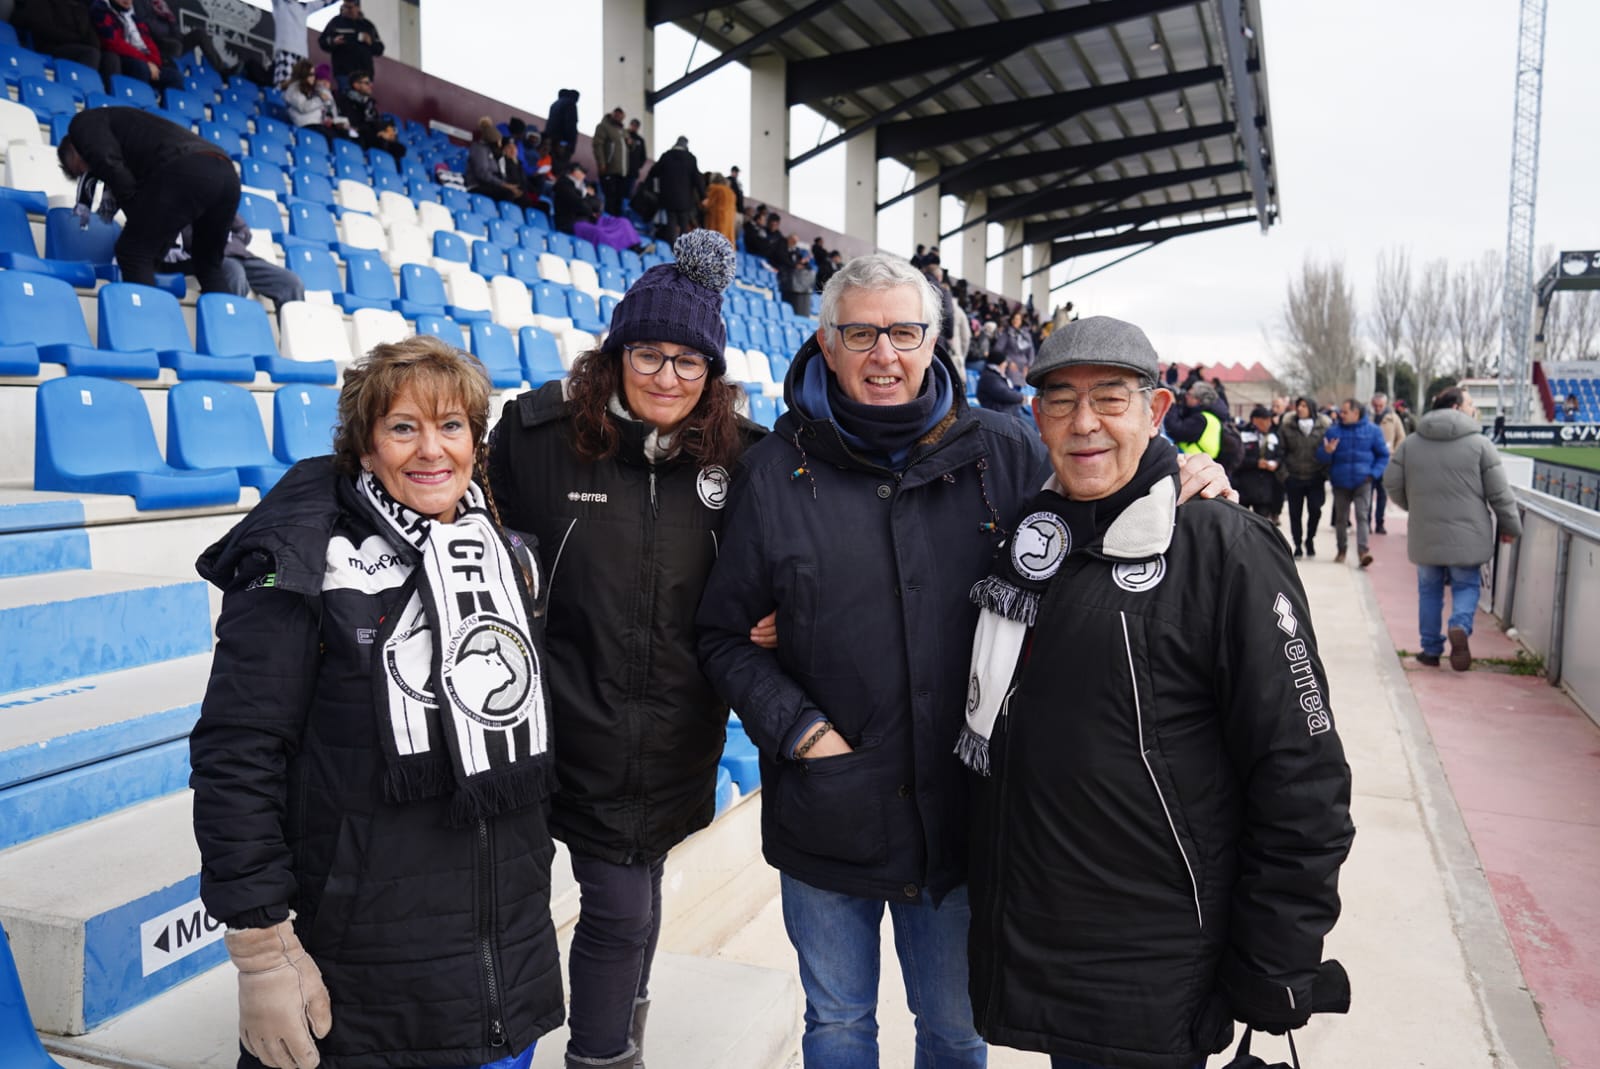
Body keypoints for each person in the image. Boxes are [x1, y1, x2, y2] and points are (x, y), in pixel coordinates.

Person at [696, 260, 1233, 1069]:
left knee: (955, 1029)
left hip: (961, 816)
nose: (885, 354)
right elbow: (724, 636)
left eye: (904, 332)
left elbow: (1101, 500)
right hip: (827, 809)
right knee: (837, 1024)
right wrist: (800, 731)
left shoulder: (1004, 450)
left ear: (934, 341)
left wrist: (1183, 474)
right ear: (827, 343)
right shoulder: (775, 472)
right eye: (862, 333)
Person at [961, 316, 1354, 1068]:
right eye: (1061, 402)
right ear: (1035, 416)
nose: (1085, 424)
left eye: (1110, 399)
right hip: (1050, 949)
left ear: (1157, 410)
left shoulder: (1222, 546)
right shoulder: (1029, 543)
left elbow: (1302, 772)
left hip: (1158, 967)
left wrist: (1275, 958)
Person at [189, 336, 565, 1069]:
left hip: (499, 971)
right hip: (366, 983)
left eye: (451, 425)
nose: (432, 450)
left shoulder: (510, 556)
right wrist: (262, 947)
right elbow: (237, 752)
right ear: (365, 448)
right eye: (403, 427)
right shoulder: (302, 561)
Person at [487, 231, 769, 1069]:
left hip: (667, 738)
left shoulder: (743, 463)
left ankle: (608, 1050)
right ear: (613, 356)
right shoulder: (537, 438)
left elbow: (798, 561)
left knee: (625, 908)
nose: (667, 376)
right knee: (569, 912)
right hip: (544, 729)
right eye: (648, 353)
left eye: (690, 361)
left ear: (713, 376)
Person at [1384, 387, 1521, 670]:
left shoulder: (1412, 443)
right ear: (1457, 408)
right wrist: (1510, 527)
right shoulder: (1480, 445)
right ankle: (1459, 625)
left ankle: (1430, 649)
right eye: (1471, 404)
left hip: (1426, 532)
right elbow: (1500, 494)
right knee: (1466, 584)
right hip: (1467, 534)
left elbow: (1392, 483)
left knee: (1429, 590)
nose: (1474, 409)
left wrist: (1414, 506)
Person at [58, 106, 240, 293]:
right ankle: (228, 323)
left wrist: (139, 220)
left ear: (74, 148)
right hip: (227, 174)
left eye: (81, 170)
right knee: (208, 265)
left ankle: (149, 321)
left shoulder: (82, 125)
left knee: (133, 252)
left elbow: (111, 167)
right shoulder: (129, 134)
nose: (90, 173)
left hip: (188, 167)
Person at [167, 215, 304, 317]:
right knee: (234, 272)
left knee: (290, 282)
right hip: (204, 257)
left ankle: (299, 347)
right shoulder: (183, 198)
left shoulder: (218, 196)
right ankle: (232, 338)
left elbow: (244, 232)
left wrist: (230, 241)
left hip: (240, 255)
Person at [1320, 398, 1390, 568]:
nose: (1340, 415)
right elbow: (1321, 458)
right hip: (1340, 482)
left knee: (1362, 516)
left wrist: (1373, 474)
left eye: (1345, 412)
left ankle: (1363, 551)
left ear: (1356, 413)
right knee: (1341, 519)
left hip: (1363, 481)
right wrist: (1327, 452)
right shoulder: (1333, 431)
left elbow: (1383, 455)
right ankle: (1341, 550)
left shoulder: (1372, 431)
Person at [13, 0, 119, 89]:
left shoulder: (80, 6)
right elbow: (42, 27)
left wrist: (91, 43)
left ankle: (106, 97)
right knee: (91, 53)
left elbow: (91, 33)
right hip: (51, 46)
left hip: (77, 46)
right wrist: (78, 40)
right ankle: (81, 89)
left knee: (111, 58)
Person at [1278, 396, 1329, 559]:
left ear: (1312, 409)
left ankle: (1310, 539)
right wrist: (1284, 475)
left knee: (1315, 510)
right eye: (1298, 405)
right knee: (1295, 513)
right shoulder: (1287, 427)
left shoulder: (1324, 427)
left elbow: (1329, 452)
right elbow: (1280, 452)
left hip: (1315, 477)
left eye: (1304, 406)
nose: (1300, 409)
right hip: (1294, 477)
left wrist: (1325, 473)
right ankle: (1298, 543)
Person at [90, 0, 181, 90]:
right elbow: (113, 43)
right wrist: (146, 62)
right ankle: (139, 101)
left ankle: (160, 102)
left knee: (175, 77)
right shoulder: (101, 9)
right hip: (122, 57)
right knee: (140, 67)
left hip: (143, 60)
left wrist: (154, 63)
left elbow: (149, 42)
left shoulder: (134, 16)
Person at [282, 59, 351, 145]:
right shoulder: (293, 89)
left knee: (344, 135)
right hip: (306, 125)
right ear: (303, 74)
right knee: (333, 140)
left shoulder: (311, 89)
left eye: (314, 75)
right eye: (311, 74)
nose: (313, 77)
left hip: (317, 125)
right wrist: (320, 99)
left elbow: (321, 110)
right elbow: (303, 107)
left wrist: (332, 121)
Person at [648, 136, 703, 242]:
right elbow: (697, 178)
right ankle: (682, 248)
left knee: (671, 223)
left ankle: (671, 246)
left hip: (668, 197)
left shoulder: (666, 156)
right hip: (685, 199)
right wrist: (703, 196)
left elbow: (653, 172)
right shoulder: (691, 158)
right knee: (683, 224)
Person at [1235, 404, 1285, 520]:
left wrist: (1276, 463)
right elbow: (1237, 460)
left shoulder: (1274, 436)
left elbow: (1280, 455)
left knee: (1261, 525)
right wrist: (1255, 463)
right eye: (1265, 420)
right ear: (1255, 420)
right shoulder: (1242, 435)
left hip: (1265, 490)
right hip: (1244, 487)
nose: (1269, 423)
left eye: (1269, 420)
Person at [316, 0, 383, 86]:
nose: (346, 10)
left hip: (365, 75)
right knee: (346, 96)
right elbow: (322, 41)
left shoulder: (368, 26)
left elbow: (380, 49)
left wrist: (370, 42)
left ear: (358, 8)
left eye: (350, 8)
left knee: (364, 99)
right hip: (344, 73)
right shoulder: (336, 22)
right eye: (344, 7)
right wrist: (333, 42)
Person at [272, 0, 338, 85]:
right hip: (285, 50)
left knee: (300, 86)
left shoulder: (304, 7)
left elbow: (324, 2)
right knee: (283, 83)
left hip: (302, 54)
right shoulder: (281, 3)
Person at [1369, 391, 1406, 534]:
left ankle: (1380, 523)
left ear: (1385, 405)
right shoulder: (1368, 417)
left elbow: (1401, 437)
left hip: (1386, 462)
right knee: (1367, 495)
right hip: (1369, 462)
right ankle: (1367, 523)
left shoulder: (1393, 419)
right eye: (1375, 405)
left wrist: (1394, 454)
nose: (1378, 408)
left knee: (1382, 495)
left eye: (1380, 405)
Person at [467, 117, 527, 205]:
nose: (499, 146)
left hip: (490, 185)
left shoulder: (493, 153)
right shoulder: (479, 149)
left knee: (522, 198)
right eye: (498, 142)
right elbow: (483, 174)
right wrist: (504, 185)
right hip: (477, 186)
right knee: (507, 193)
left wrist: (510, 186)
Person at [591, 106, 629, 217]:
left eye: (620, 114)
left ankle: (615, 225)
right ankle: (607, 222)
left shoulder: (623, 131)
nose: (618, 116)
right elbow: (597, 145)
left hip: (622, 172)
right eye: (616, 113)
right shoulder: (603, 126)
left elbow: (628, 148)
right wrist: (602, 163)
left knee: (618, 200)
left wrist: (631, 144)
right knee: (609, 198)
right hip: (609, 169)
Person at [976, 348, 1025, 418]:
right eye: (1004, 362)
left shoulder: (993, 375)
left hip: (1005, 411)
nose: (1006, 365)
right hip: (999, 414)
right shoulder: (989, 378)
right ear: (999, 364)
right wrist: (1022, 397)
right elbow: (1005, 394)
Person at [991, 309, 1035, 386]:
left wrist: (1029, 366)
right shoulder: (1006, 333)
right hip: (1011, 365)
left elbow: (1031, 351)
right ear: (1011, 320)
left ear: (1021, 321)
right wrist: (1008, 361)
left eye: (1018, 319)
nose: (1016, 321)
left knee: (1024, 390)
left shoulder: (1026, 335)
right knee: (1013, 387)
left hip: (1024, 367)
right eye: (1014, 318)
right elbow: (997, 349)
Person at [552, 161, 591, 235]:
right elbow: (579, 204)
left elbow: (596, 203)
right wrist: (591, 210)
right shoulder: (564, 185)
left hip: (579, 220)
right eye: (582, 172)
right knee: (598, 232)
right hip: (567, 222)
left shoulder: (580, 187)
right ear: (575, 172)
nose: (584, 176)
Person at [700, 173, 737, 246]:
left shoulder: (714, 189)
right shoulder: (731, 192)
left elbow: (707, 205)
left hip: (716, 223)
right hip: (728, 225)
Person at [624, 118, 648, 200]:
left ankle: (624, 210)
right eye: (632, 125)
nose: (634, 127)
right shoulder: (623, 136)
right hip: (621, 170)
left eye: (636, 126)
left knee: (629, 192)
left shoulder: (640, 140)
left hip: (633, 171)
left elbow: (643, 157)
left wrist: (638, 166)